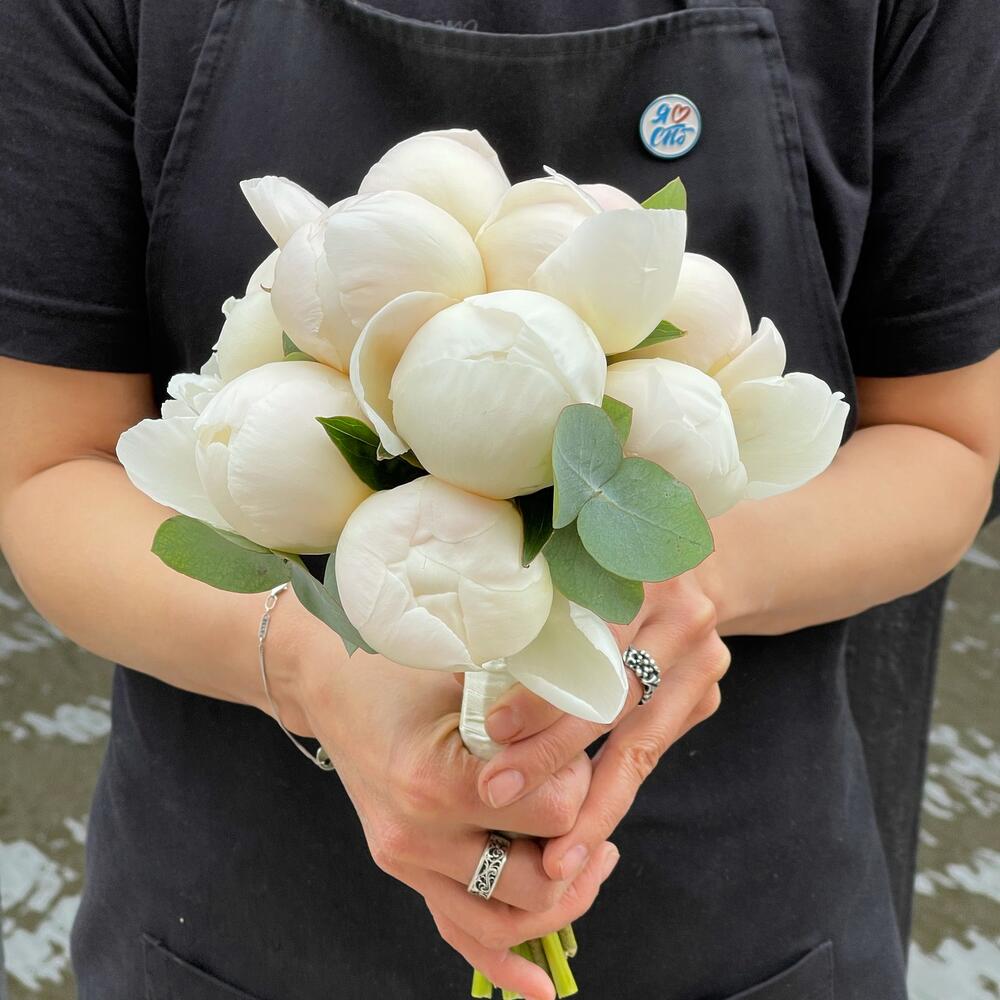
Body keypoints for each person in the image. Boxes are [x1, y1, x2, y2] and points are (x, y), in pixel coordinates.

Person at [0, 1, 998, 998]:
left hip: (741, 914)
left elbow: (949, 439)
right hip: (232, 918)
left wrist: (687, 574)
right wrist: (307, 659)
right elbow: (46, 470)